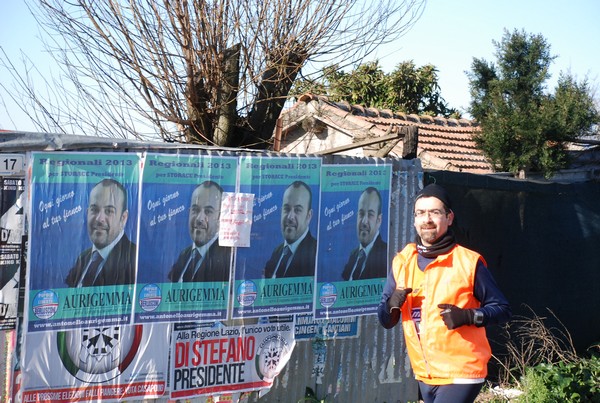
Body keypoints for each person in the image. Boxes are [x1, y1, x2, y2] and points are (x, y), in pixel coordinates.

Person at [378, 183, 511, 403]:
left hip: (461, 371)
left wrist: (468, 316)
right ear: (414, 220)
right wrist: (391, 303)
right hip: (424, 373)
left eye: (435, 212)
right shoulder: (402, 262)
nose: (427, 219)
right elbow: (385, 320)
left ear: (449, 218)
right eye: (420, 213)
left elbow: (503, 310)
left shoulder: (468, 262)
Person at [65, 178, 136, 287]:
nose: (99, 218)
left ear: (123, 218)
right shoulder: (82, 259)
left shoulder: (135, 260)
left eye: (109, 211)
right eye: (94, 209)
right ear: (87, 213)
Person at [168, 181, 231, 283]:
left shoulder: (228, 258)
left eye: (208, 211)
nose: (199, 218)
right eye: (195, 210)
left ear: (221, 217)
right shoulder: (184, 255)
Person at [263, 181, 317, 278]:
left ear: (309, 216)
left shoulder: (315, 253)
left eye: (297, 210)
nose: (290, 216)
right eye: (286, 209)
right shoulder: (277, 253)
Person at [342, 187, 388, 280]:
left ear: (379, 220)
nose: (364, 221)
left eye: (370, 214)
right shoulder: (353, 255)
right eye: (361, 213)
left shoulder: (386, 254)